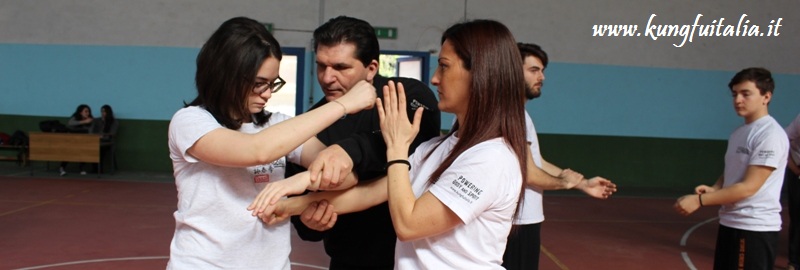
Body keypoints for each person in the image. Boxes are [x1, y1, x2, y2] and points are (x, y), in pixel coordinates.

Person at [251, 19, 583, 269]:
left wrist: (392, 150)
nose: (435, 78)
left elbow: (410, 224)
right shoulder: (441, 148)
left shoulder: (491, 157)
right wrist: (290, 202)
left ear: (479, 74)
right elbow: (371, 192)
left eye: (444, 66)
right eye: (321, 66)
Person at [166, 16, 375, 269]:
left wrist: (302, 183)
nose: (266, 93)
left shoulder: (276, 124)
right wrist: (344, 104)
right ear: (225, 75)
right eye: (258, 84)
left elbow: (345, 174)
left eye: (272, 83)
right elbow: (257, 150)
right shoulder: (190, 122)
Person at [284, 16, 441, 270]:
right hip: (349, 260)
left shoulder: (407, 95)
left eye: (340, 67)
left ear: (371, 68)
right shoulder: (312, 123)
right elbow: (305, 221)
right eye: (321, 66)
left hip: (413, 258)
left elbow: (416, 150)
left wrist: (349, 151)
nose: (327, 77)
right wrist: (310, 223)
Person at [503, 43, 617, 270]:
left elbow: (538, 162)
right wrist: (563, 183)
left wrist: (583, 184)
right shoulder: (512, 112)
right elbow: (528, 173)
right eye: (534, 70)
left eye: (542, 71)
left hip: (523, 220)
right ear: (513, 71)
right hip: (517, 223)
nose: (542, 77)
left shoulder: (518, 112)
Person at [674, 67, 788, 269]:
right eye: (735, 94)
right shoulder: (740, 132)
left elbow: (748, 187)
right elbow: (733, 168)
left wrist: (700, 200)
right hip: (731, 223)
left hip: (754, 229)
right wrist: (717, 188)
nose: (738, 100)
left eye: (746, 94)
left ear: (766, 97)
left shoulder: (769, 135)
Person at [60, 104, 94, 175]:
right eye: (86, 111)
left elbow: (90, 131)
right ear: (81, 112)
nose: (87, 113)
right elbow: (70, 123)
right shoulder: (75, 117)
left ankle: (81, 168)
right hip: (72, 139)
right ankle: (62, 167)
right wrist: (84, 122)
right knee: (69, 151)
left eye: (88, 112)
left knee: (84, 150)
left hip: (84, 140)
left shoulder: (91, 120)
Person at [785, 113, 800, 270]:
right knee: (798, 219)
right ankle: (794, 262)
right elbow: (783, 141)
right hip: (798, 171)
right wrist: (796, 171)